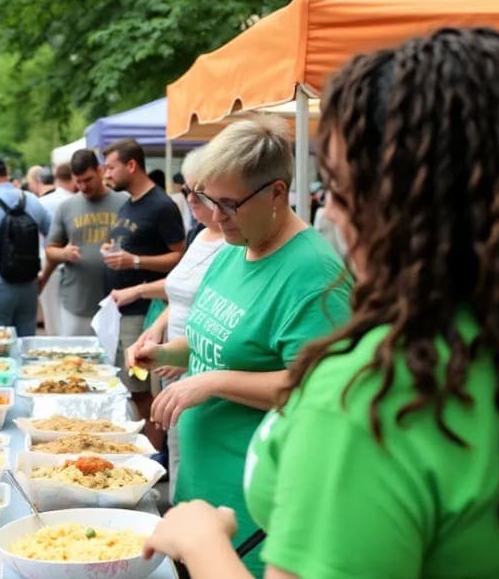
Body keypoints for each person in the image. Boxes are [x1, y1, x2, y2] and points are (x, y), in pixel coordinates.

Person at [146, 28, 499, 578]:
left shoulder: (370, 398)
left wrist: (201, 541)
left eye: (338, 187)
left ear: (394, 208)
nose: (333, 216)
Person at [129, 119, 351, 577]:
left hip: (253, 510)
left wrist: (212, 383)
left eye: (229, 204)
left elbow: (319, 388)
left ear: (277, 192)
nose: (216, 216)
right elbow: (221, 339)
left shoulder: (313, 276)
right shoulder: (235, 245)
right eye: (209, 200)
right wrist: (168, 352)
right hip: (201, 489)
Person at [118, 146, 226, 489]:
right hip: (176, 355)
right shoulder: (199, 233)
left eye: (198, 192)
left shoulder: (232, 243)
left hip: (197, 364)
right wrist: (156, 327)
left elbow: (218, 309)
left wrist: (189, 354)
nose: (190, 199)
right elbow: (180, 293)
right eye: (185, 190)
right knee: (178, 448)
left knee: (192, 452)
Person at [101, 139, 184, 450]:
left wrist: (134, 261)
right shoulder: (130, 202)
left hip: (146, 311)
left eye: (111, 167)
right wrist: (111, 251)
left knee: (142, 386)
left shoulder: (161, 205)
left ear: (131, 165)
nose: (106, 174)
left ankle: (153, 452)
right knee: (132, 386)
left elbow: (180, 257)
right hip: (123, 308)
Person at [46, 150, 128, 336]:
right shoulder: (67, 207)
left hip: (115, 301)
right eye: (78, 181)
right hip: (76, 302)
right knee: (74, 358)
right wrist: (64, 254)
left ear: (100, 171)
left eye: (88, 179)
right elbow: (51, 250)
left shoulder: (124, 202)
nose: (83, 186)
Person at [0, 154, 50, 337]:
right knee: (24, 344)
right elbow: (55, 239)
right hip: (28, 285)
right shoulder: (31, 200)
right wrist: (44, 274)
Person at [37, 166, 74, 336]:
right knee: (71, 314)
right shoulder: (76, 201)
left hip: (47, 260)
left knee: (51, 315)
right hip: (74, 261)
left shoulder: (42, 202)